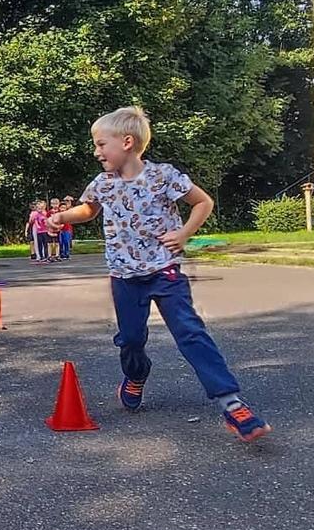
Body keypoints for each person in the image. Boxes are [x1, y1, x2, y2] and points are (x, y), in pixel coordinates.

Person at [49, 106, 271, 443]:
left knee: (191, 333)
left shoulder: (163, 176)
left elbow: (203, 203)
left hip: (164, 271)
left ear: (126, 142)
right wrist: (64, 217)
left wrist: (183, 234)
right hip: (124, 276)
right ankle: (135, 376)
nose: (96, 152)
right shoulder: (102, 183)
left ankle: (231, 402)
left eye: (100, 144)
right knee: (131, 339)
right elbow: (88, 209)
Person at [58, 196, 75, 260]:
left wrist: (68, 200)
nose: (62, 209)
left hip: (67, 230)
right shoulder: (58, 213)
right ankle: (61, 253)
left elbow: (71, 208)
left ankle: (67, 253)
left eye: (64, 207)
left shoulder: (68, 212)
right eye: (61, 207)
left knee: (66, 242)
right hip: (60, 230)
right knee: (61, 242)